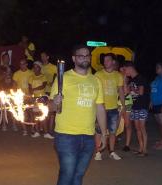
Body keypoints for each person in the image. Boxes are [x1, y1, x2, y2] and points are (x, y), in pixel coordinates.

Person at [50, 45, 107, 185]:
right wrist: (55, 102)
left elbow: (99, 107)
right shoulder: (64, 78)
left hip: (88, 136)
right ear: (74, 58)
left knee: (78, 176)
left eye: (87, 55)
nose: (85, 58)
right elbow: (51, 107)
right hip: (66, 135)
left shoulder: (96, 80)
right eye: (81, 56)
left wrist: (104, 133)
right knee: (67, 175)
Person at [94, 53, 125, 161]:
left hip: (113, 108)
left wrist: (123, 105)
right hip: (100, 108)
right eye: (105, 60)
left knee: (113, 131)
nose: (106, 62)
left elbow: (121, 91)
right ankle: (98, 152)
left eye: (108, 60)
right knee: (99, 131)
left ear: (113, 62)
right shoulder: (98, 74)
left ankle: (111, 151)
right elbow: (94, 91)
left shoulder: (118, 75)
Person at [124, 62, 149, 156]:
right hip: (134, 106)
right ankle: (140, 148)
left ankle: (145, 150)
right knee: (137, 128)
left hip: (142, 106)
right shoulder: (131, 80)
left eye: (126, 70)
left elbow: (141, 92)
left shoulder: (140, 78)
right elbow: (127, 93)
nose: (125, 72)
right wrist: (125, 80)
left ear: (130, 68)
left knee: (142, 128)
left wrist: (132, 90)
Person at [13, 58, 34, 136]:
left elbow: (32, 85)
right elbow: (14, 86)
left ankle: (32, 128)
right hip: (20, 97)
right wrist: (15, 96)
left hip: (29, 96)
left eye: (23, 64)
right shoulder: (16, 74)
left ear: (26, 64)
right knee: (22, 113)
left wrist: (31, 95)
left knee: (31, 113)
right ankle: (24, 129)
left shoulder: (31, 73)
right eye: (20, 64)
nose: (22, 65)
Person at [28, 61, 48, 138]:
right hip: (35, 98)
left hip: (42, 98)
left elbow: (43, 86)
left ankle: (46, 133)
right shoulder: (31, 77)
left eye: (37, 67)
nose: (35, 68)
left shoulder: (43, 76)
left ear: (40, 68)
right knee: (35, 115)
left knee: (43, 115)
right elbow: (29, 87)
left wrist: (34, 88)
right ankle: (37, 132)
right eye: (34, 67)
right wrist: (32, 96)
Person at [40, 51, 58, 139]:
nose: (42, 58)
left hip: (51, 92)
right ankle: (45, 130)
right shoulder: (40, 67)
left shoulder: (53, 67)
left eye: (44, 56)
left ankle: (50, 131)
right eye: (41, 56)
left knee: (52, 113)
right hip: (43, 92)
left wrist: (53, 82)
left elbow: (58, 76)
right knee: (43, 111)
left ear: (47, 57)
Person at [150, 62, 162, 150]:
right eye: (156, 67)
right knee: (159, 124)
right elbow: (153, 90)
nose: (156, 69)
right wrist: (151, 102)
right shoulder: (157, 78)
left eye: (158, 67)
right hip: (155, 104)